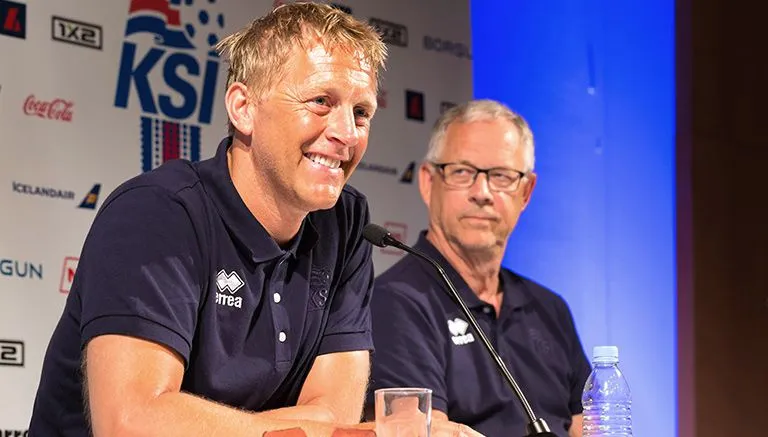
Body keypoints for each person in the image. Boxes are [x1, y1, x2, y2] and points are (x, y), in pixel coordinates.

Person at [29, 3, 388, 436]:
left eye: (361, 113)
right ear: (243, 108)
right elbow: (132, 423)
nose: (347, 133)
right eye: (320, 102)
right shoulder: (156, 213)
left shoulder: (345, 222)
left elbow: (338, 415)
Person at [366, 100, 592, 437]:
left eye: (501, 176)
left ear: (526, 192)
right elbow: (425, 431)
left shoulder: (550, 309)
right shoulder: (396, 302)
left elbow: (590, 427)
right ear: (428, 182)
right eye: (462, 172)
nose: (482, 192)